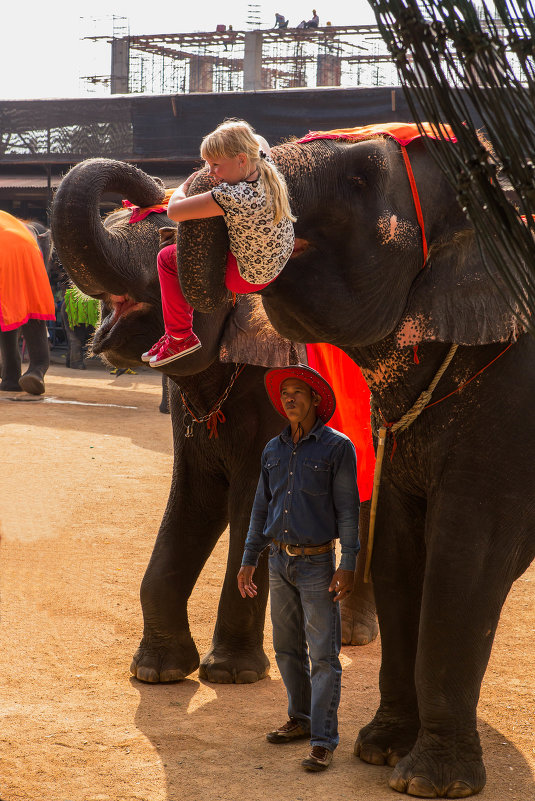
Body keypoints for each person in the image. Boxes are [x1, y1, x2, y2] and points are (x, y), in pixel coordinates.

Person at [237, 364, 360, 772]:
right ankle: (301, 719)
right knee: (287, 649)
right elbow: (260, 510)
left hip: (318, 565)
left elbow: (348, 511)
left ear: (315, 401)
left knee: (323, 656)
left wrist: (348, 563)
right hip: (278, 561)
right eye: (284, 393)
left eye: (297, 392)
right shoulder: (272, 450)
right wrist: (248, 559)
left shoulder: (337, 448)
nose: (289, 398)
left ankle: (323, 741)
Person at [142, 120, 296, 367]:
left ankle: (180, 336)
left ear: (241, 160)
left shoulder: (235, 196)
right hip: (275, 263)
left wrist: (185, 185)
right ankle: (175, 335)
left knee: (167, 258)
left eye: (215, 165)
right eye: (207, 164)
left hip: (246, 278)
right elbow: (260, 139)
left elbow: (175, 211)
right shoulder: (266, 162)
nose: (210, 171)